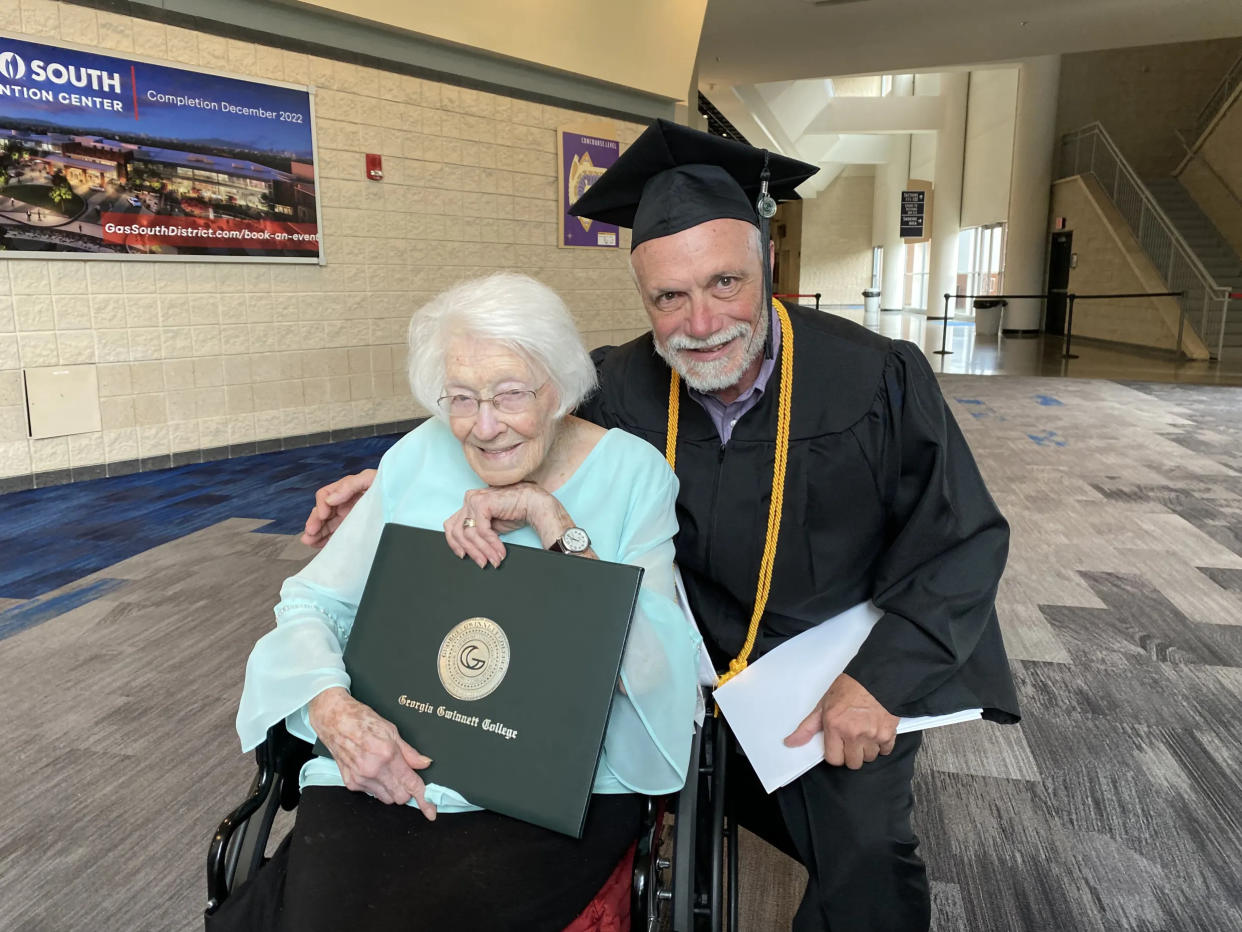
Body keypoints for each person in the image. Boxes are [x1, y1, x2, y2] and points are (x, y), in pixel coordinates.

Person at [303, 120, 1021, 932]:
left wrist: (880, 682)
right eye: (668, 298)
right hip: (659, 658)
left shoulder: (876, 379)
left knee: (866, 861)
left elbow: (960, 542)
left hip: (821, 675)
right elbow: (509, 420)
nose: (702, 322)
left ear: (768, 262)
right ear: (643, 296)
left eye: (726, 283)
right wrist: (394, 479)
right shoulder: (620, 381)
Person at [220, 272, 701, 932]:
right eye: (460, 398)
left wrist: (550, 517)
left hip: (551, 790)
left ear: (559, 389)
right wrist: (334, 713)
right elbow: (311, 604)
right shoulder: (418, 455)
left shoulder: (633, 473)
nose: (482, 426)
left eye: (509, 395)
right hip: (394, 766)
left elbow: (651, 669)